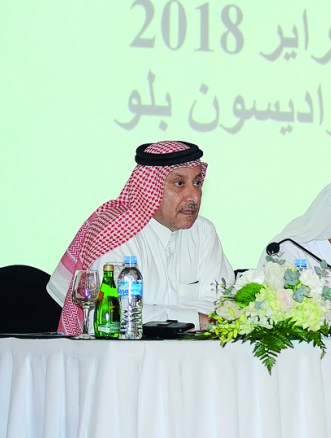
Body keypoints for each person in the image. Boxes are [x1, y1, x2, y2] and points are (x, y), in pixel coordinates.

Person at [48, 141, 233, 333]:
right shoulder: (115, 233)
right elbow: (113, 316)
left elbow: (222, 303)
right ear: (149, 188)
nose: (193, 196)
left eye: (197, 183)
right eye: (179, 184)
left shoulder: (203, 232)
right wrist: (194, 319)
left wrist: (159, 316)